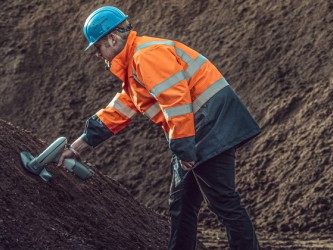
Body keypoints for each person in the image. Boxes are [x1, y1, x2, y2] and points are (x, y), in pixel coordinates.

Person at [57, 6, 262, 250]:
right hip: (196, 129)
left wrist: (184, 148)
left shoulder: (147, 56)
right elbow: (120, 110)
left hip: (209, 126)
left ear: (112, 38)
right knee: (182, 203)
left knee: (223, 202)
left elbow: (176, 102)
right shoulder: (135, 66)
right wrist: (78, 147)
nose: (98, 55)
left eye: (98, 47)